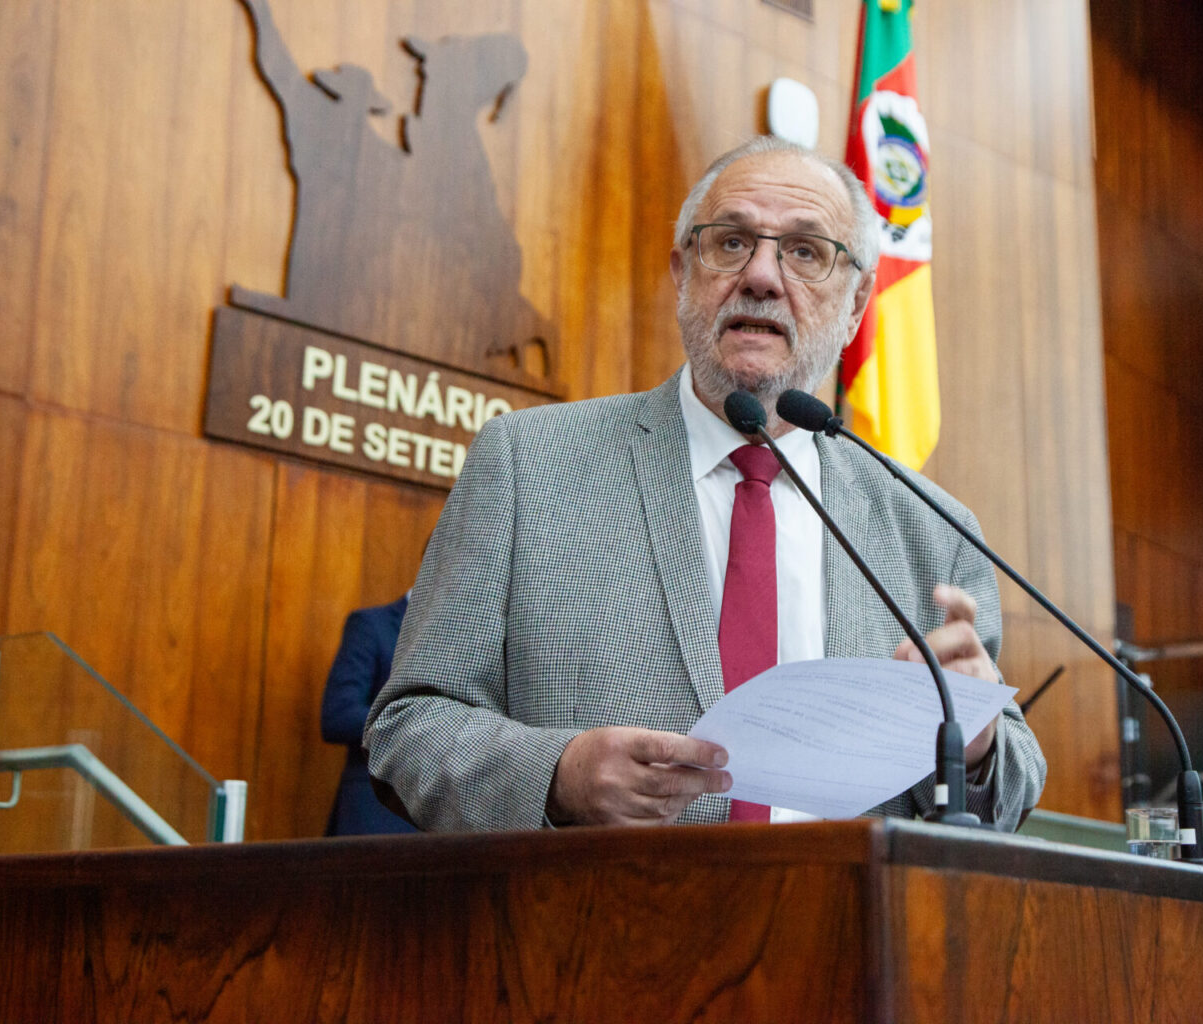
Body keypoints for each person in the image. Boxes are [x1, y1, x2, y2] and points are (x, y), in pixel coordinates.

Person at [365, 136, 1046, 832]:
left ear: (855, 305)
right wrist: (556, 774)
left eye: (806, 252)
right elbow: (408, 727)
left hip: (845, 932)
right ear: (681, 271)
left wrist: (980, 740)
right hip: (596, 926)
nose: (761, 276)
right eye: (731, 243)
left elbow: (1013, 790)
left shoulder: (931, 527)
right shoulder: (528, 465)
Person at [321, 596, 419, 835]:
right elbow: (338, 715)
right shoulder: (373, 624)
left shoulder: (477, 632)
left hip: (458, 823)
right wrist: (416, 724)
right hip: (379, 817)